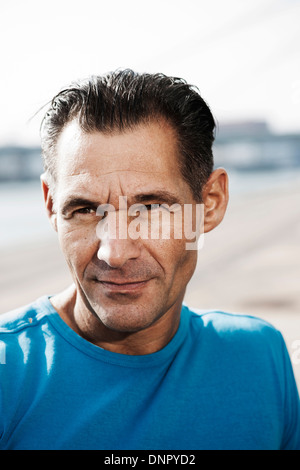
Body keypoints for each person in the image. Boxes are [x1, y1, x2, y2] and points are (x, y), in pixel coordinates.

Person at [0, 70, 299, 450]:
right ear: (51, 206)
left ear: (209, 204)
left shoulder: (260, 357)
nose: (114, 252)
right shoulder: (7, 375)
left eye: (152, 207)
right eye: (85, 209)